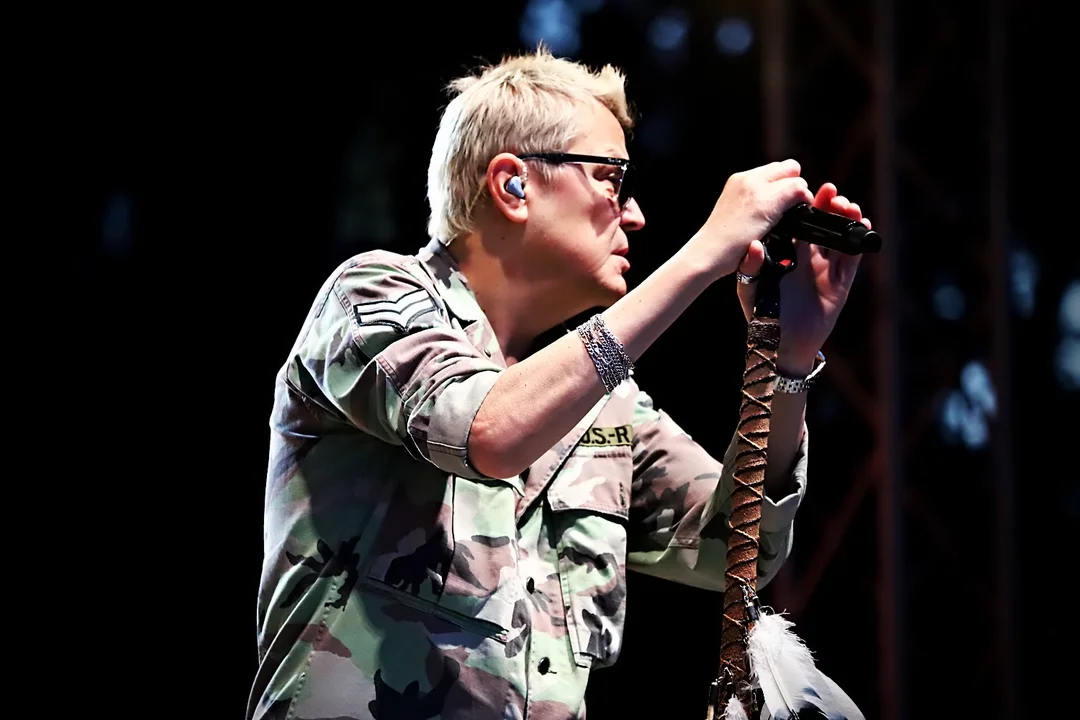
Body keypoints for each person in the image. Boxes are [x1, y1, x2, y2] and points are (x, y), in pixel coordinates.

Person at [246, 46, 869, 720]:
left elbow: (735, 548)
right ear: (513, 185)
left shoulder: (607, 404)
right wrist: (701, 257)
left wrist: (787, 361)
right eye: (611, 179)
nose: (635, 215)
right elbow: (489, 428)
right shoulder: (372, 296)